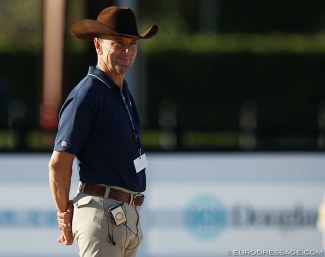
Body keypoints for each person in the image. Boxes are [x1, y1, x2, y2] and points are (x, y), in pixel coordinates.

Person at [48, 6, 158, 257]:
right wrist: (64, 217)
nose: (127, 51)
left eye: (132, 43)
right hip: (102, 213)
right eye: (119, 43)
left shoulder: (119, 90)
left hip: (126, 215)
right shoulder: (87, 94)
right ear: (98, 45)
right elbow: (58, 163)